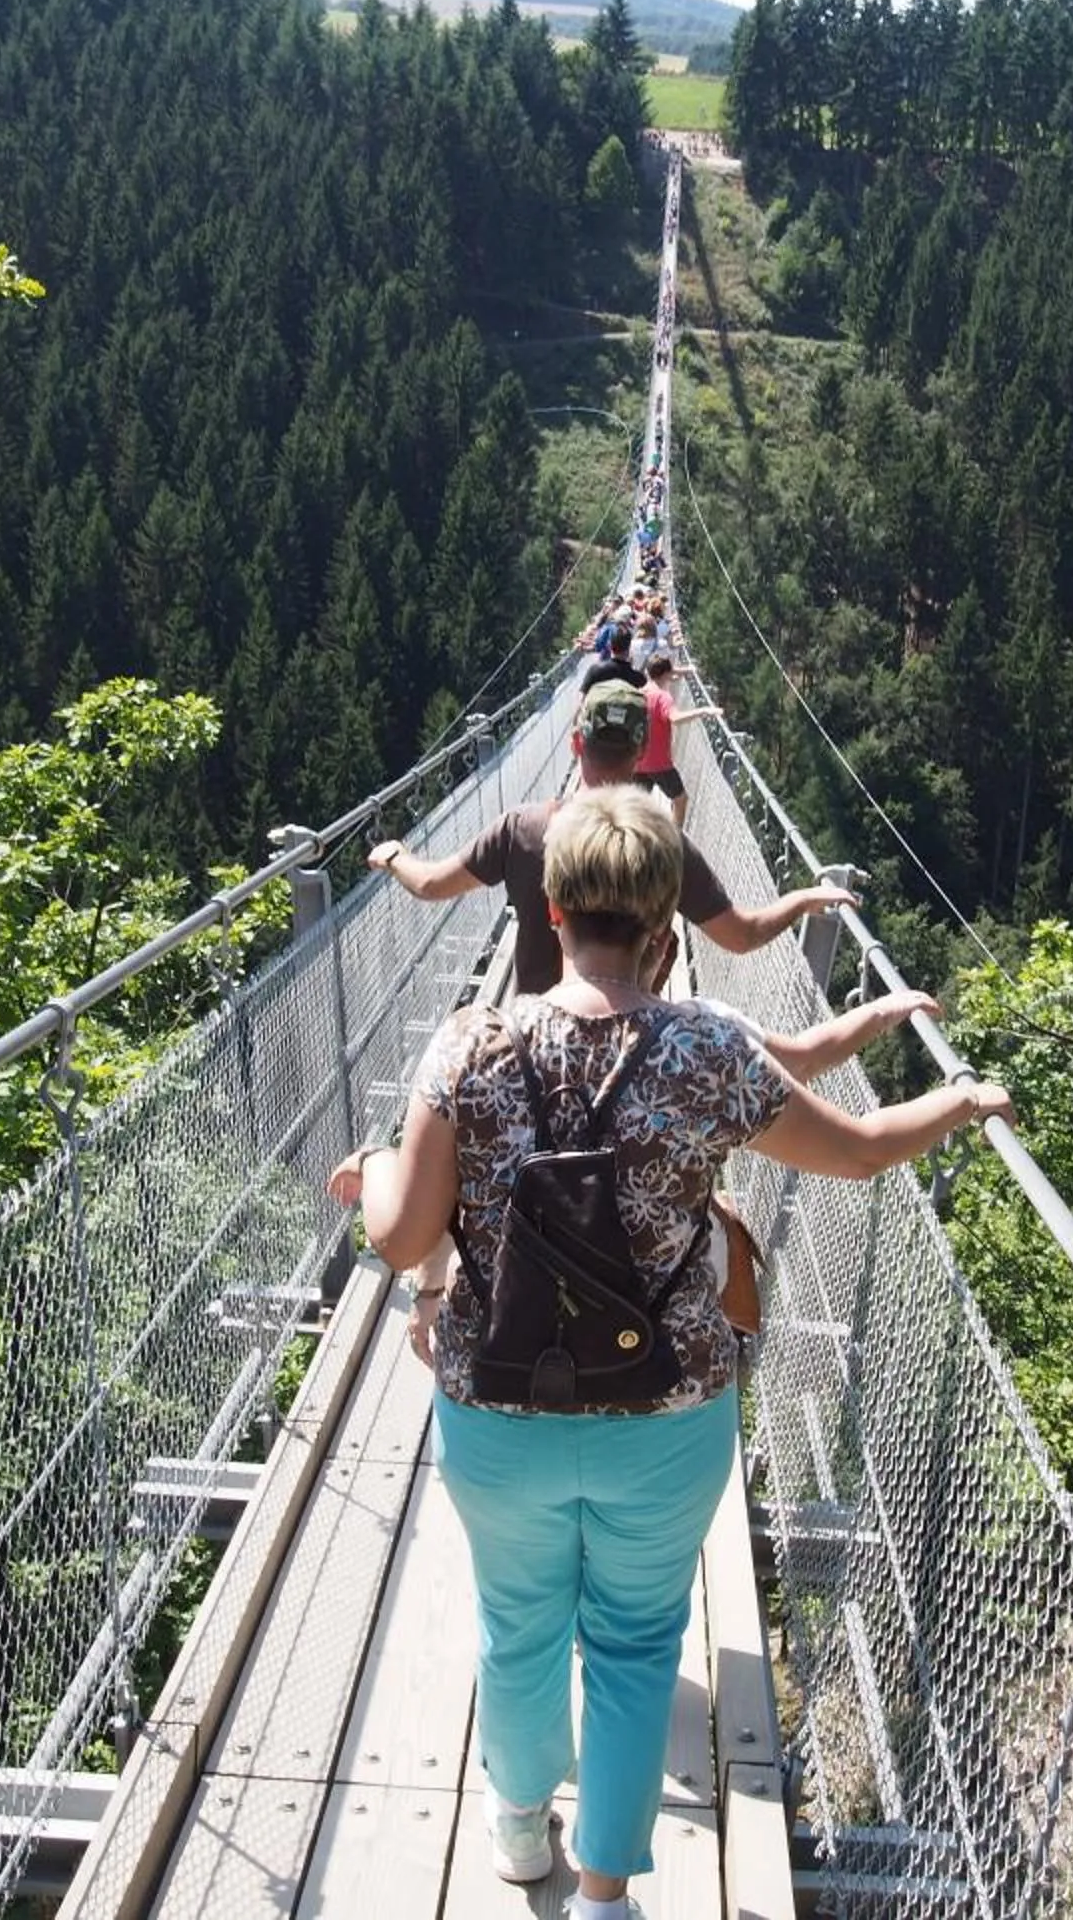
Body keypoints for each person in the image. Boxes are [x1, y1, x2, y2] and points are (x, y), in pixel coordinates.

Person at [332, 789, 1009, 1917]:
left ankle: (514, 1823)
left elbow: (404, 1239)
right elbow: (855, 1154)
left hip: (497, 1411)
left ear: (547, 909)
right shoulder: (709, 1051)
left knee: (519, 1624)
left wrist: (373, 1178)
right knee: (640, 1643)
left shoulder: (468, 1047)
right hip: (669, 1410)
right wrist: (958, 1100)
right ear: (664, 930)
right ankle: (606, 1896)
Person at [366, 680, 854, 996]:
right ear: (642, 752)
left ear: (576, 742)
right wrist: (801, 899)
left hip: (535, 1047)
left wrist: (395, 856)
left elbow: (430, 885)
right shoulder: (663, 844)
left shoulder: (522, 831)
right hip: (628, 1051)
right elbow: (741, 935)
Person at [632, 653, 719, 823]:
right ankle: (675, 838)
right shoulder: (662, 696)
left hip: (637, 761)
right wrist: (703, 711)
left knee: (636, 806)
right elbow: (675, 718)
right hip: (659, 763)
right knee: (680, 799)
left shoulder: (638, 693)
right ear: (667, 674)